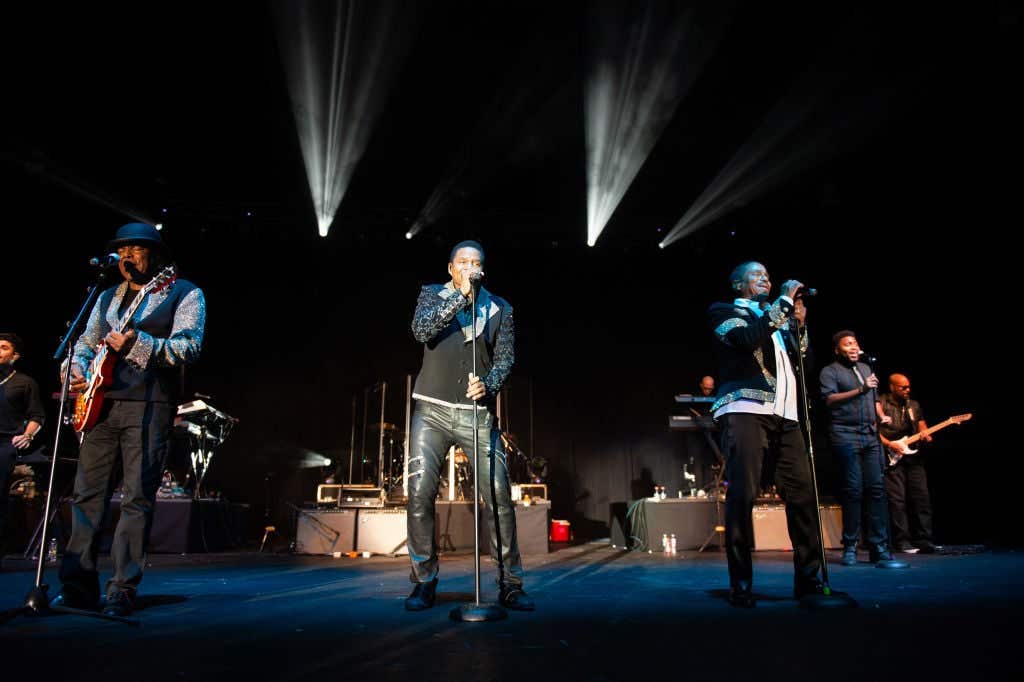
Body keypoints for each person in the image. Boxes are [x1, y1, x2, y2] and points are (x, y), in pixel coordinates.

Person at [53, 223, 205, 616]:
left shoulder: (184, 293)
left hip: (149, 405)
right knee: (86, 496)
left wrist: (139, 344)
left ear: (154, 255)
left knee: (136, 499)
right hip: (101, 406)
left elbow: (188, 346)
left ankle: (122, 588)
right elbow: (86, 343)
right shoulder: (106, 297)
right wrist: (76, 369)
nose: (127, 257)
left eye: (136, 249)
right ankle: (76, 587)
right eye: (122, 250)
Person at [404, 240, 532, 612]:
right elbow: (421, 331)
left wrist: (489, 384)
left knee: (498, 496)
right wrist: (460, 296)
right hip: (431, 410)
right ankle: (424, 581)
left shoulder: (500, 308)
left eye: (476, 263)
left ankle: (510, 583)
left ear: (483, 270)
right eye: (463, 263)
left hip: (476, 414)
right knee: (418, 494)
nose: (469, 268)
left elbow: (506, 358)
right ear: (450, 268)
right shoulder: (432, 295)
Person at [708, 261, 824, 607]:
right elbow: (743, 340)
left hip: (787, 414)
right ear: (737, 284)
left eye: (769, 277)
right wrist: (784, 305)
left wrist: (799, 327)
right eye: (757, 275)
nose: (766, 280)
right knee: (743, 495)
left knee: (803, 496)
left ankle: (809, 582)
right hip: (745, 408)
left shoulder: (779, 318)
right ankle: (740, 584)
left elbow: (803, 363)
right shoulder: (725, 311)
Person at [819, 331, 906, 568]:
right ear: (838, 350)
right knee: (853, 491)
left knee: (877, 490)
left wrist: (881, 415)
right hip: (845, 435)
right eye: (847, 344)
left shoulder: (866, 369)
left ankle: (879, 548)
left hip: (869, 436)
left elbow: (874, 399)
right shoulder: (830, 371)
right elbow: (829, 400)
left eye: (855, 343)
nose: (853, 347)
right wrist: (861, 390)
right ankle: (850, 547)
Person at [878, 374, 936, 554]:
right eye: (903, 387)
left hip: (913, 456)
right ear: (892, 387)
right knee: (897, 500)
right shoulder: (881, 403)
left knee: (921, 498)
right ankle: (902, 541)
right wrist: (889, 444)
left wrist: (925, 434)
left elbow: (921, 424)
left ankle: (925, 539)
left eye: (908, 387)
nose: (907, 390)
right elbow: (874, 430)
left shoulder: (913, 405)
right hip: (892, 456)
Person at [0, 333, 46, 546]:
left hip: (6, 442)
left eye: (3, 348)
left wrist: (27, 435)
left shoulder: (24, 382)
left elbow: (37, 416)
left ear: (15, 355)